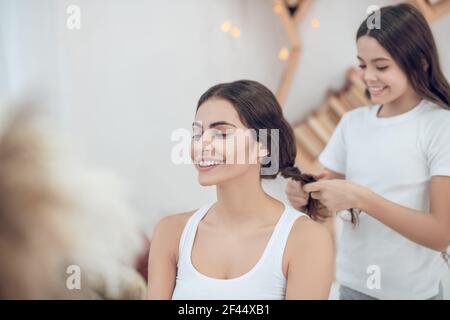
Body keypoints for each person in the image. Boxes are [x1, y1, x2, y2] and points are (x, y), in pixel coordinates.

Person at [286, 3, 450, 300]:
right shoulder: (353, 122)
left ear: (421, 62)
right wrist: (305, 197)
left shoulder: (440, 126)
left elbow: (442, 234)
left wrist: (362, 198)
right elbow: (326, 206)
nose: (368, 76)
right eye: (362, 65)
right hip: (351, 288)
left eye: (381, 66)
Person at [148, 80, 334, 299]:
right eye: (197, 134)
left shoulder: (305, 238)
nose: (201, 145)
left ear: (263, 145)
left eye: (222, 134)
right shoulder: (170, 233)